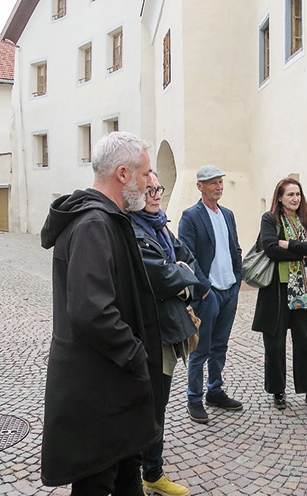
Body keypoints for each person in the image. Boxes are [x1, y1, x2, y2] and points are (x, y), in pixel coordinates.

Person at [39, 131, 162, 496]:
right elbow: (92, 310)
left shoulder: (108, 218)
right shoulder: (95, 224)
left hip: (112, 387)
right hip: (100, 389)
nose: (148, 183)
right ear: (122, 174)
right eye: (144, 174)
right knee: (96, 482)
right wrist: (135, 355)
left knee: (125, 474)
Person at [130, 172, 198, 496]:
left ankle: (150, 471)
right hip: (152, 332)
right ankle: (149, 473)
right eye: (149, 190)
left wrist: (184, 284)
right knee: (152, 406)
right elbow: (162, 277)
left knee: (159, 404)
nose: (156, 195)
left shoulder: (159, 226)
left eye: (158, 188)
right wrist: (182, 284)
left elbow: (190, 263)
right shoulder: (134, 229)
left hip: (167, 329)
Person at [251, 177, 307, 412]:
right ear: (279, 197)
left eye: (297, 194)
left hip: (304, 289)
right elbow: (271, 249)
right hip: (277, 290)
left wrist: (289, 244)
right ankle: (278, 390)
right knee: (275, 343)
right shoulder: (270, 219)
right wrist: (303, 249)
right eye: (290, 195)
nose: (295, 198)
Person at [177, 164, 244, 423]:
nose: (218, 187)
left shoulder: (227, 214)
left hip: (229, 289)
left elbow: (234, 248)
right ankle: (194, 398)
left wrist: (238, 279)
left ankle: (214, 390)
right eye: (213, 183)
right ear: (200, 186)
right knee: (200, 348)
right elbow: (187, 256)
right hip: (209, 293)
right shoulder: (191, 216)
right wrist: (204, 289)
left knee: (220, 346)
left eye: (220, 182)